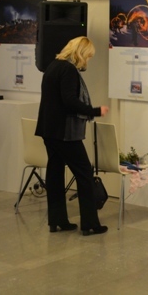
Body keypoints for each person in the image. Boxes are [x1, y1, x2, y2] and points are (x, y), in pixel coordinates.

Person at [36, 36, 109, 236]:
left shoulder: (52, 66)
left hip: (49, 129)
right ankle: (90, 224)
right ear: (81, 53)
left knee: (55, 173)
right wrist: (94, 111)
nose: (88, 60)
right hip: (65, 132)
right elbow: (69, 101)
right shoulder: (68, 70)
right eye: (89, 56)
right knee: (85, 174)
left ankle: (57, 221)